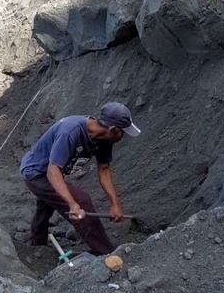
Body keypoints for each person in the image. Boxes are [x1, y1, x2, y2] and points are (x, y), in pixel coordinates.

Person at [20, 102, 141, 255]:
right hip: (36, 172)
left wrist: (115, 204)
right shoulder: (71, 132)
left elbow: (104, 169)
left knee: (47, 203)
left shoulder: (105, 139)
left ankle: (36, 245)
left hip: (52, 170)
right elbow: (52, 171)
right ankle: (105, 251)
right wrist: (72, 204)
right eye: (122, 133)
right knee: (81, 200)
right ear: (113, 129)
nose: (123, 137)